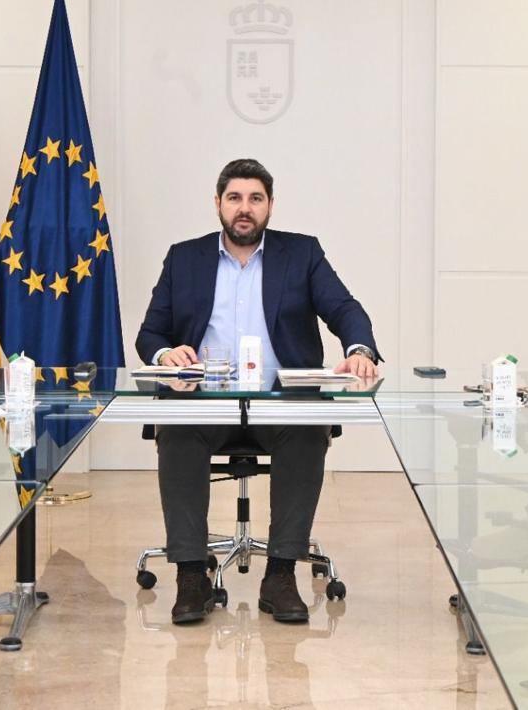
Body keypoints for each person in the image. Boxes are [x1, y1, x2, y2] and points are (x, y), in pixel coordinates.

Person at [136, 158, 380, 624]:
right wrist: (167, 354)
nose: (244, 209)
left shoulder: (301, 254)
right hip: (203, 400)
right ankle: (191, 575)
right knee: (179, 430)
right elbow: (150, 333)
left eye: (255, 198)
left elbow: (345, 308)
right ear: (218, 204)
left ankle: (281, 573)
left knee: (309, 430)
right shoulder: (184, 257)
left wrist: (360, 348)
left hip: (280, 403)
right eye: (234, 198)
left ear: (270, 206)